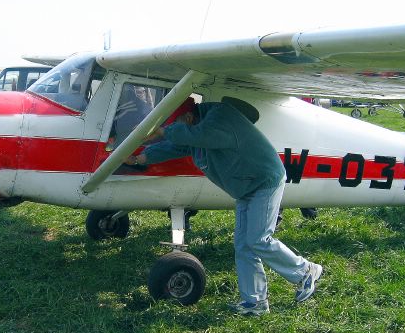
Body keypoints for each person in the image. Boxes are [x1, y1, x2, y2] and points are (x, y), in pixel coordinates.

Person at [126, 98, 322, 316]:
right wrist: (139, 159)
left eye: (177, 125)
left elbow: (199, 136)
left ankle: (306, 271)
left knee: (258, 239)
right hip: (246, 186)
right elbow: (176, 146)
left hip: (264, 180)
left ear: (189, 118)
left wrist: (163, 131)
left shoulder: (220, 118)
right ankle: (255, 302)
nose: (174, 129)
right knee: (244, 245)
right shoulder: (194, 129)